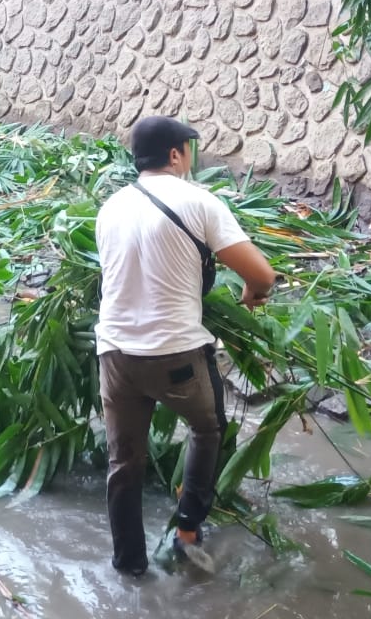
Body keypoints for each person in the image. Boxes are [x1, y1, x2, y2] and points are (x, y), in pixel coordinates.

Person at [94, 115, 276, 577]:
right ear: (176, 154)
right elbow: (262, 274)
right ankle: (189, 531)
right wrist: (253, 295)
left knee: (124, 461)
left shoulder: (110, 207)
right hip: (176, 355)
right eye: (189, 150)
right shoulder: (199, 201)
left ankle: (128, 565)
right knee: (207, 429)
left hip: (114, 356)